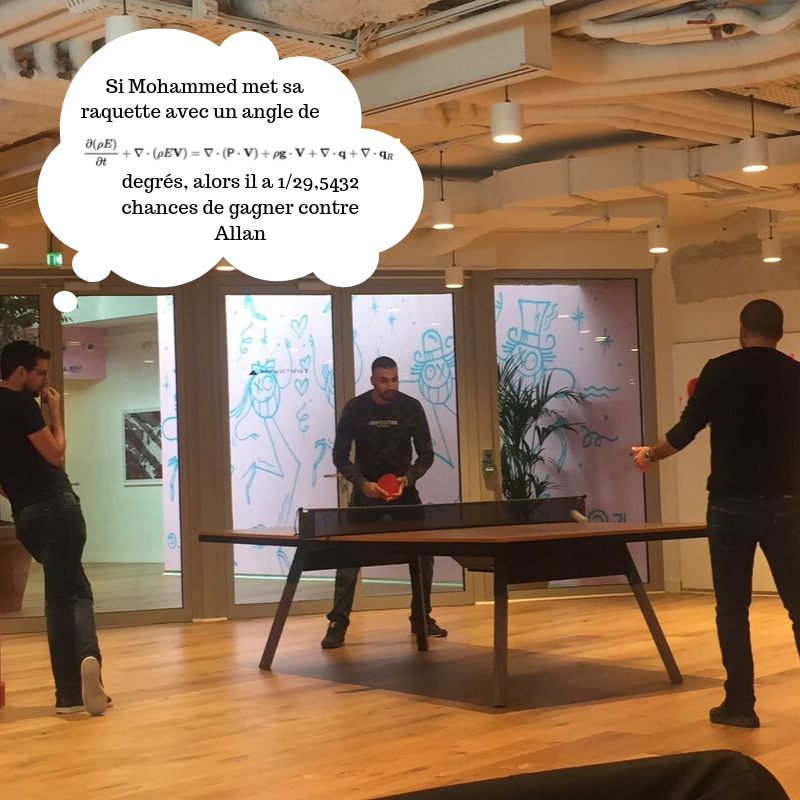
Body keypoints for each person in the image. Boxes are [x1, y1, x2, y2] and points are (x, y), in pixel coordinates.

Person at [631, 299, 800, 729]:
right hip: (787, 502)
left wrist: (651, 453)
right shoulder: (794, 374)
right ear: (780, 333)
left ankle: (739, 704)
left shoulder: (718, 370)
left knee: (732, 607)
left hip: (729, 504)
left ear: (742, 330)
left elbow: (686, 431)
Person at [0, 340, 108, 716]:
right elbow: (56, 455)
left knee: (75, 589)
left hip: (26, 516)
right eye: (40, 373)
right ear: (20, 372)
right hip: (58, 510)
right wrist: (55, 416)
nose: (44, 380)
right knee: (65, 599)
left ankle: (87, 672)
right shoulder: (20, 405)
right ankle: (71, 692)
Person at [321, 356, 448, 649]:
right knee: (347, 557)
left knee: (424, 555)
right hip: (365, 496)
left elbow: (426, 454)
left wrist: (408, 479)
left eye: (394, 379)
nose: (390, 386)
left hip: (405, 495)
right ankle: (338, 623)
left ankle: (421, 619)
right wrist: (361, 483)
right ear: (372, 381)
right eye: (384, 380)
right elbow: (340, 455)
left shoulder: (411, 407)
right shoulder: (355, 408)